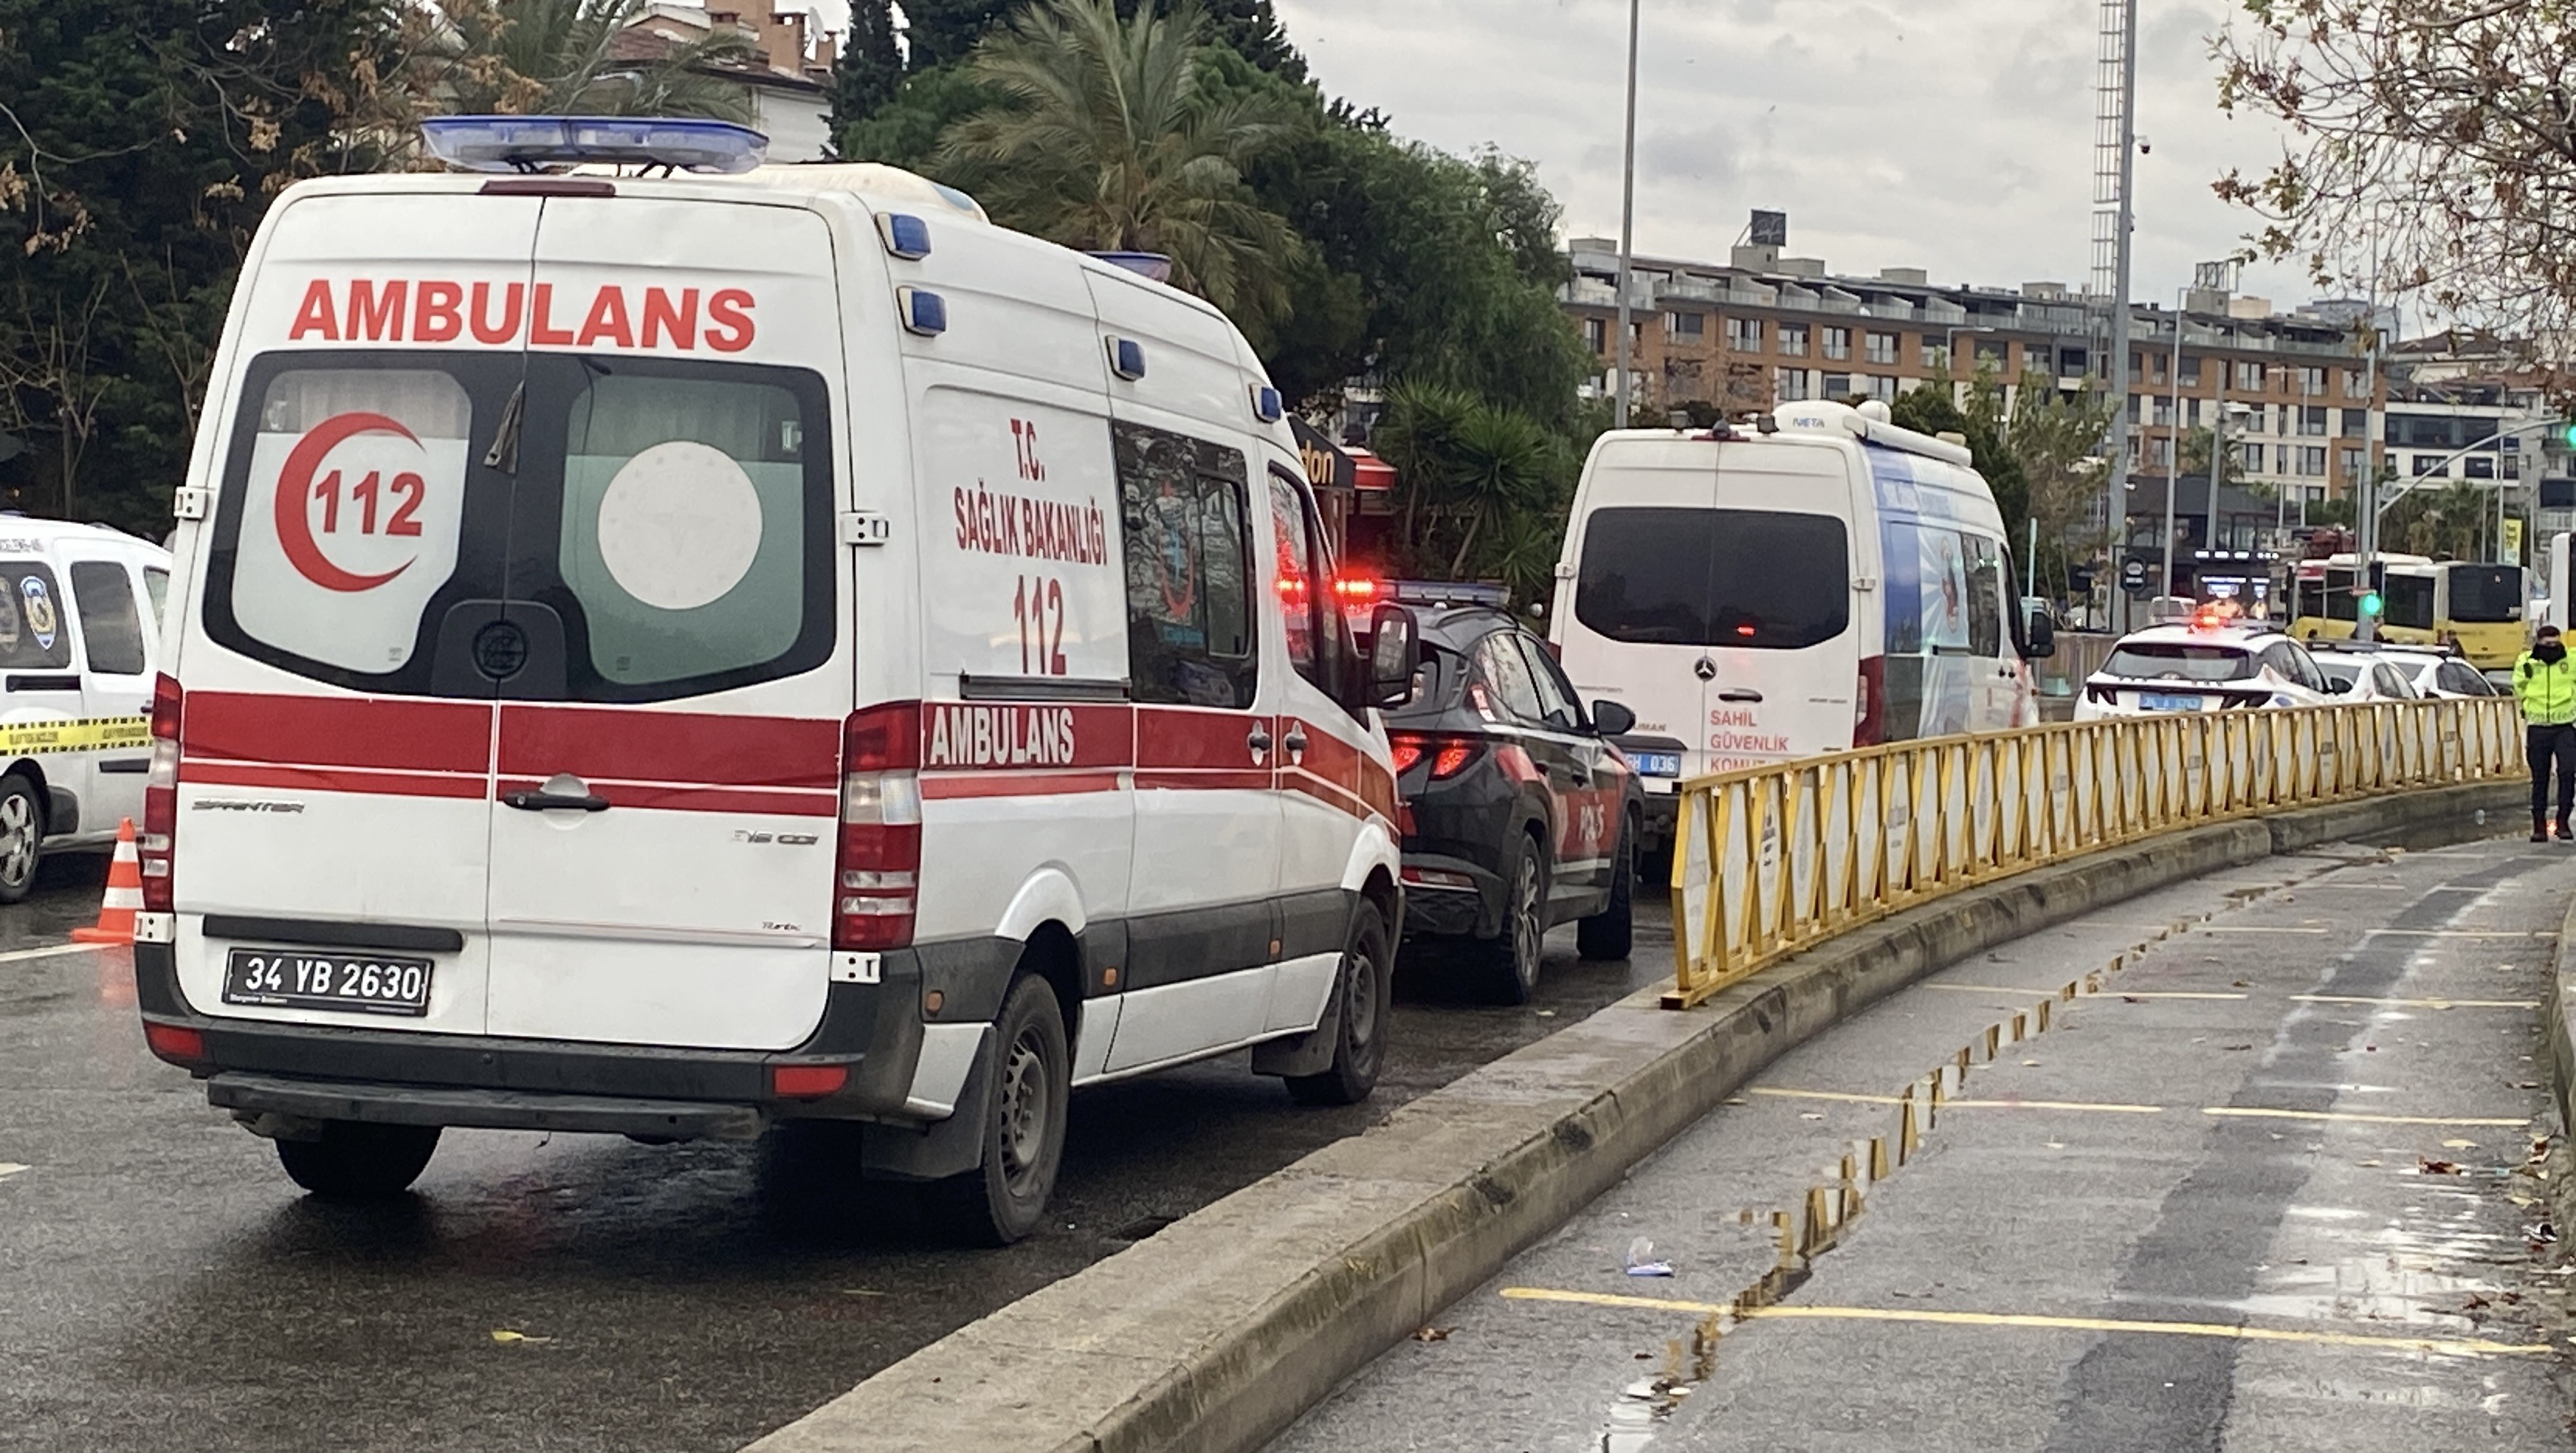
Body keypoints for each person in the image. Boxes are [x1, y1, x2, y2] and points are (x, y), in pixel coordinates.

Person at [2512, 625, 2576, 841]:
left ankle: (2563, 822)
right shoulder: (2527, 662)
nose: (2553, 648)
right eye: (2548, 645)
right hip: (2538, 727)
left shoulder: (2571, 660)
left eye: (2556, 644)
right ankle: (2539, 826)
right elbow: (2519, 686)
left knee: (2567, 773)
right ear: (2538, 642)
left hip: (2565, 726)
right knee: (2540, 777)